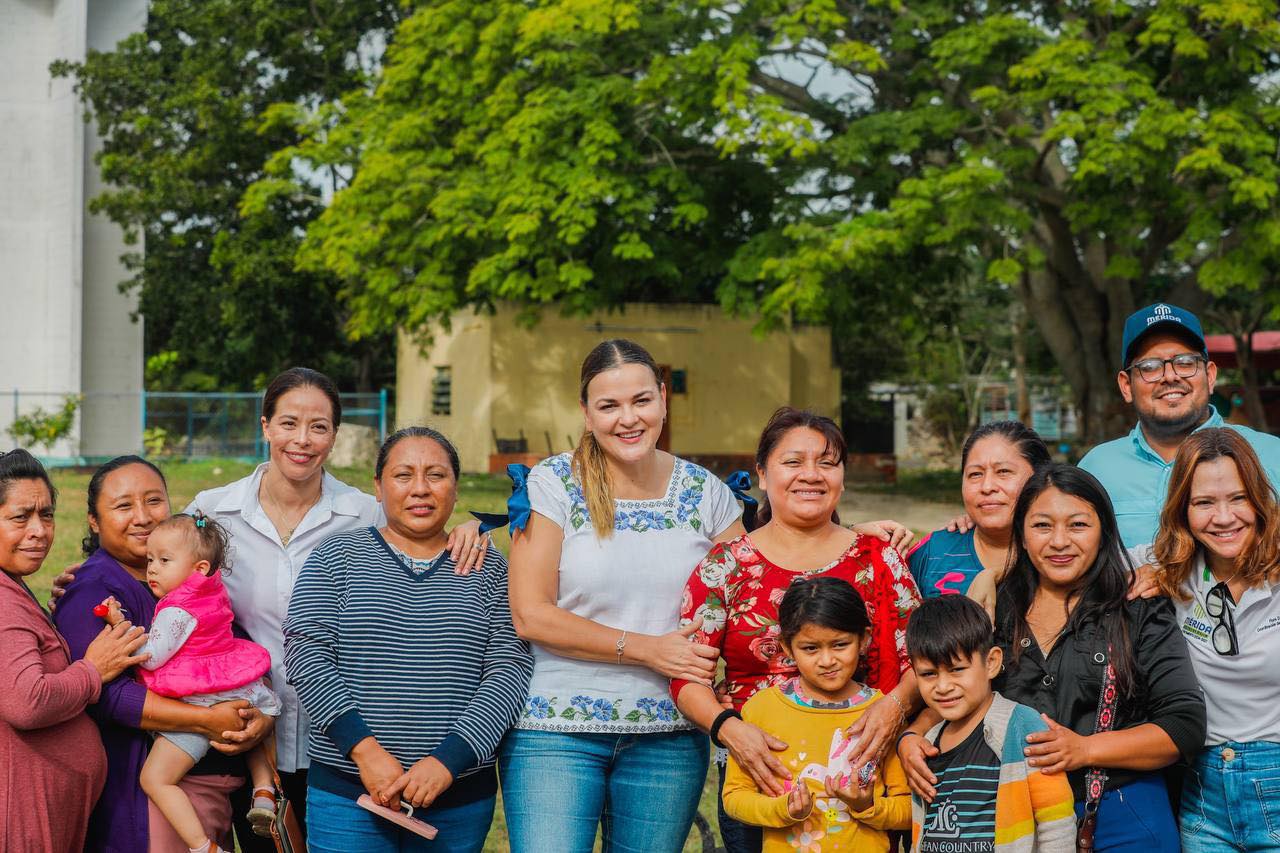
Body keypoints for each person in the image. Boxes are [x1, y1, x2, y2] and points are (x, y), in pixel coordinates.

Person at [502, 339, 748, 852]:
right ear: (586, 414)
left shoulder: (707, 494)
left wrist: (852, 534)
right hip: (555, 731)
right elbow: (531, 615)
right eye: (608, 405)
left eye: (640, 400)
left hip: (671, 734)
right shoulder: (553, 483)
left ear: (663, 398)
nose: (627, 419)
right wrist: (648, 648)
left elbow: (756, 593)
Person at [899, 464, 1205, 852]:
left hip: (1123, 813)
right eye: (1042, 526)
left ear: (1104, 532)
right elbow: (956, 685)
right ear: (1021, 536)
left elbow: (1184, 725)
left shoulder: (1138, 607)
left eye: (1078, 525)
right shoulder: (994, 609)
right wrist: (913, 735)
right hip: (1012, 814)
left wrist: (1085, 749)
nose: (1059, 541)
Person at [674, 407, 923, 853]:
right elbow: (686, 676)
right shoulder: (724, 567)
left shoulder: (880, 561)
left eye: (826, 463)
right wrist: (731, 729)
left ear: (842, 477)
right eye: (793, 462)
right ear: (763, 475)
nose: (811, 475)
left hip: (860, 780)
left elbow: (919, 659)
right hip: (762, 776)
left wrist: (893, 711)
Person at [285, 427, 532, 853]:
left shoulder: (489, 569)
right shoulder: (335, 557)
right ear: (377, 488)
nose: (420, 489)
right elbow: (307, 654)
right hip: (348, 794)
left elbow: (509, 673)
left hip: (457, 797)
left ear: (456, 488)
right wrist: (365, 752)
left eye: (436, 475)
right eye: (403, 475)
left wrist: (447, 761)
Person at [53, 456, 266, 853]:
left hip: (206, 784)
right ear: (94, 521)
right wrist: (208, 720)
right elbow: (107, 694)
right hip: (143, 794)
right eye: (123, 506)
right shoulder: (93, 588)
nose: (142, 516)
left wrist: (256, 718)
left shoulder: (183, 580)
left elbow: (227, 643)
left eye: (153, 500)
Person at [98, 513, 283, 853]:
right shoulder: (213, 591)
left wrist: (119, 623)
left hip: (201, 699)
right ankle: (263, 791)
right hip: (238, 685)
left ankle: (202, 846)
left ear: (198, 567)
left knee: (154, 779)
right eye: (150, 559)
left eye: (164, 560)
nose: (152, 568)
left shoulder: (176, 610)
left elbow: (153, 656)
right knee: (253, 729)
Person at [0, 449, 150, 851]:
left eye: (46, 514)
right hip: (22, 822)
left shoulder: (12, 586)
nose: (39, 531)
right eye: (20, 517)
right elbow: (27, 701)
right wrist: (92, 669)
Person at [1143, 428, 1280, 852]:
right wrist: (986, 568)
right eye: (1204, 502)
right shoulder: (1166, 568)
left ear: (1259, 499)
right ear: (1182, 510)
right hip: (1202, 792)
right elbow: (1069, 556)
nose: (1224, 518)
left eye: (1238, 498)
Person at [721, 576, 911, 852]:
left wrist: (867, 806)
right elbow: (735, 797)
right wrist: (782, 809)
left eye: (839, 645)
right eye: (810, 648)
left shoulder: (883, 715)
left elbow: (909, 808)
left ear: (864, 640)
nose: (827, 661)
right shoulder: (761, 709)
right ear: (787, 647)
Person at [1078, 303, 1280, 548]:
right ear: (1126, 386)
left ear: (1210, 376)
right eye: (1149, 367)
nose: (1170, 376)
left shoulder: (1271, 456)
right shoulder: (1097, 467)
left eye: (1185, 362)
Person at [904, 594, 1075, 853]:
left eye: (957, 669)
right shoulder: (928, 743)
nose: (943, 686)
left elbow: (1056, 822)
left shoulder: (1022, 725)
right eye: (928, 674)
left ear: (992, 663)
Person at [908, 421, 1050, 598]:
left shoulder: (1064, 553)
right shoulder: (933, 552)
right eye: (975, 474)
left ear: (1041, 478)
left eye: (1003, 471)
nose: (987, 486)